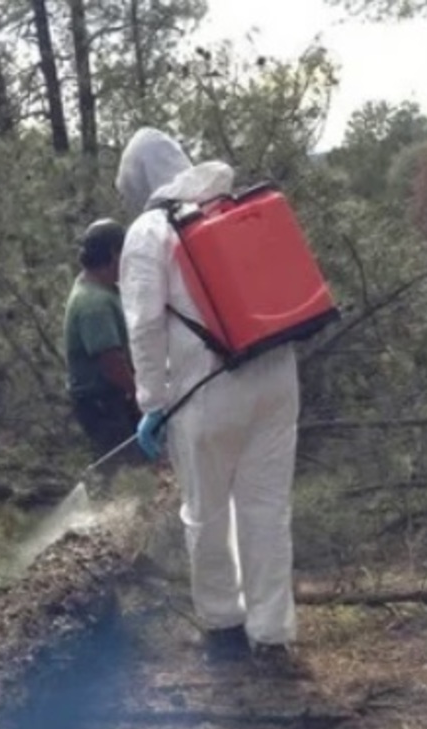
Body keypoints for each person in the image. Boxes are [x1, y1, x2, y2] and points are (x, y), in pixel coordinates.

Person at [116, 128, 302, 671]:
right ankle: (272, 635)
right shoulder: (234, 207)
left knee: (206, 513)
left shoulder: (150, 231)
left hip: (208, 391)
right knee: (267, 510)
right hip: (277, 377)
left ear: (139, 181)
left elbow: (144, 327)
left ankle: (223, 626)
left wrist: (152, 403)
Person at [63, 219, 141, 465]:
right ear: (114, 253)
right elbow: (110, 360)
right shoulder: (94, 303)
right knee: (127, 467)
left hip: (110, 399)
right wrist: (139, 394)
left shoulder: (101, 291)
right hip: (103, 403)